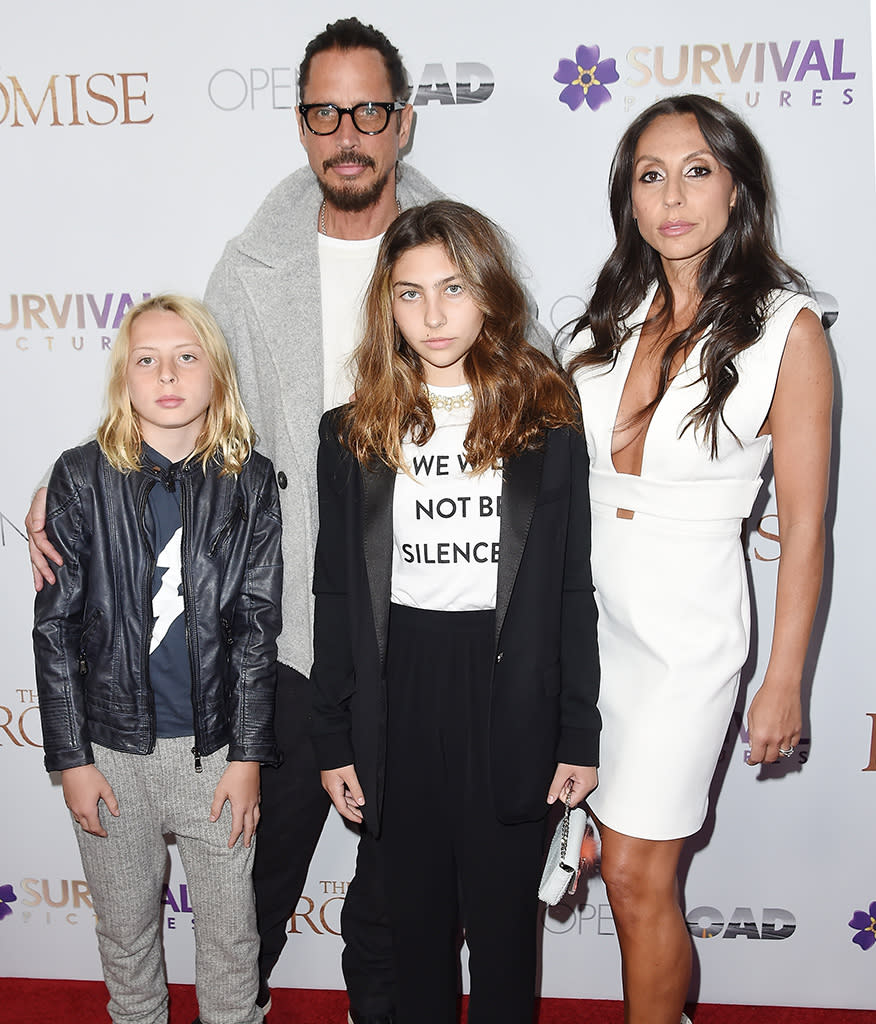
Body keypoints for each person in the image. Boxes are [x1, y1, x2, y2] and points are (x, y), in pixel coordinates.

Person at [25, 21, 551, 1023]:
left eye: (366, 110)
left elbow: (530, 410)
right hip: (296, 639)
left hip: (430, 637)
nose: (346, 133)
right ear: (302, 124)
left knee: (402, 901)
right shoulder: (250, 265)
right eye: (323, 111)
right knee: (252, 886)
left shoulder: (457, 254)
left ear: (401, 120)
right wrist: (78, 479)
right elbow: (191, 405)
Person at [563, 95, 833, 1024]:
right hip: (584, 618)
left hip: (685, 636)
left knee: (640, 869)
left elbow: (805, 527)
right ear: (628, 199)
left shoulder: (788, 330)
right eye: (650, 175)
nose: (672, 195)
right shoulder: (600, 323)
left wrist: (786, 677)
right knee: (614, 863)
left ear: (737, 187)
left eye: (697, 170)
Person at [310, 200, 601, 1024]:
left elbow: (572, 589)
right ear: (386, 306)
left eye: (453, 287)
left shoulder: (549, 428)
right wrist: (333, 736)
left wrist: (579, 730)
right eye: (408, 294)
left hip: (509, 697)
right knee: (416, 940)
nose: (432, 315)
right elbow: (336, 593)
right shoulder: (350, 434)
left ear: (490, 295)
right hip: (399, 697)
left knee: (508, 941)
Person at [32, 295, 283, 1024]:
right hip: (111, 757)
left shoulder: (251, 479)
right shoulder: (79, 478)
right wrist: (72, 760)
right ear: (124, 378)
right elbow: (55, 632)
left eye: (186, 356)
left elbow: (258, 629)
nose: (166, 374)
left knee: (234, 944)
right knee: (127, 941)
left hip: (217, 758)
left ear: (216, 373)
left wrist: (249, 757)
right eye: (147, 359)